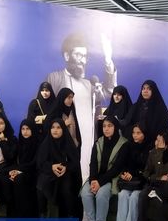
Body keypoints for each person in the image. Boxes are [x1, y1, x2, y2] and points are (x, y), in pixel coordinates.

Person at [46, 33, 117, 182]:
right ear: (67, 56)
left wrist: (108, 61)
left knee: (87, 173)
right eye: (79, 55)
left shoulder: (87, 84)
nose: (83, 60)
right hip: (68, 137)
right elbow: (48, 106)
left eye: (85, 56)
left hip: (88, 138)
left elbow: (109, 92)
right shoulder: (55, 78)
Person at [81, 116, 128, 221]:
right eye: (104, 126)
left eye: (110, 126)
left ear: (116, 127)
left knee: (102, 194)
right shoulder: (98, 142)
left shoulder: (123, 144)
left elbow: (117, 168)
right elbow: (93, 163)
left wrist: (99, 182)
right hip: (96, 178)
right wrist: (93, 181)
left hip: (111, 178)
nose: (106, 129)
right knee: (85, 192)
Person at [36, 118, 82, 219]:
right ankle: (43, 216)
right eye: (52, 127)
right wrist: (51, 167)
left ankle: (69, 217)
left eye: (58, 127)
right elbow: (40, 162)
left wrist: (66, 167)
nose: (55, 130)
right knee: (41, 184)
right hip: (49, 172)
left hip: (66, 173)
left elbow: (75, 163)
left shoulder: (68, 143)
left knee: (67, 188)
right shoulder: (46, 142)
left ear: (63, 129)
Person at [112, 123, 150, 221]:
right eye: (134, 132)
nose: (135, 135)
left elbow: (147, 169)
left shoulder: (149, 147)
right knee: (123, 194)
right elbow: (120, 164)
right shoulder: (127, 145)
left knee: (134, 197)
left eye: (139, 133)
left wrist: (133, 174)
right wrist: (124, 173)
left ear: (144, 134)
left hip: (142, 182)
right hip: (128, 181)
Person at [10, 120, 40, 217]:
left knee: (19, 179)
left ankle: (24, 216)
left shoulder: (38, 144)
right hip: (21, 171)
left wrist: (19, 170)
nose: (25, 131)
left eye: (28, 129)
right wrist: (14, 171)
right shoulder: (19, 143)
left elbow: (35, 163)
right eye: (23, 129)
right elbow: (13, 160)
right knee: (9, 179)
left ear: (32, 130)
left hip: (34, 173)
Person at [125, 80, 168, 147]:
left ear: (154, 91)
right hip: (135, 142)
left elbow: (163, 128)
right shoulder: (135, 106)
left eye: (149, 89)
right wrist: (135, 133)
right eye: (143, 88)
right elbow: (128, 124)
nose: (145, 91)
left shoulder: (160, 108)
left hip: (153, 144)